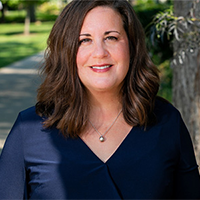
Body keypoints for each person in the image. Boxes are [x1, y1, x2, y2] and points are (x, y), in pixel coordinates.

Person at [0, 0, 200, 199]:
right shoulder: (27, 131)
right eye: (84, 40)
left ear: (132, 45)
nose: (100, 53)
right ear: (66, 51)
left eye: (111, 38)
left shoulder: (167, 122)